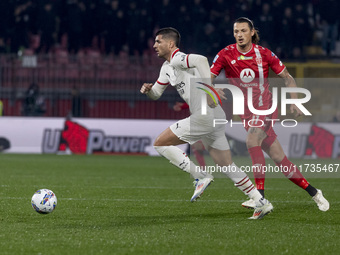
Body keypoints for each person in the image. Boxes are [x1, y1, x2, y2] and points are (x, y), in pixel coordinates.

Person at [140, 27, 273, 219]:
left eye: (158, 42)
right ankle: (261, 202)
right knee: (225, 164)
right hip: (213, 116)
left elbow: (201, 60)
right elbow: (157, 94)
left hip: (204, 116)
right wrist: (148, 90)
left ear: (170, 44)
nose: (154, 45)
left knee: (160, 143)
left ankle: (200, 175)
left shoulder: (178, 58)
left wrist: (210, 88)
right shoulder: (166, 68)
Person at [210, 17, 329, 211]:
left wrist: (294, 100)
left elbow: (287, 77)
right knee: (279, 158)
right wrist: (212, 89)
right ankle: (314, 192)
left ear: (252, 33)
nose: (239, 35)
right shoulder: (225, 54)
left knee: (251, 141)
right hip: (246, 113)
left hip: (264, 107)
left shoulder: (264, 54)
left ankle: (259, 198)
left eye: (243, 31)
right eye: (236, 31)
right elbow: (209, 76)